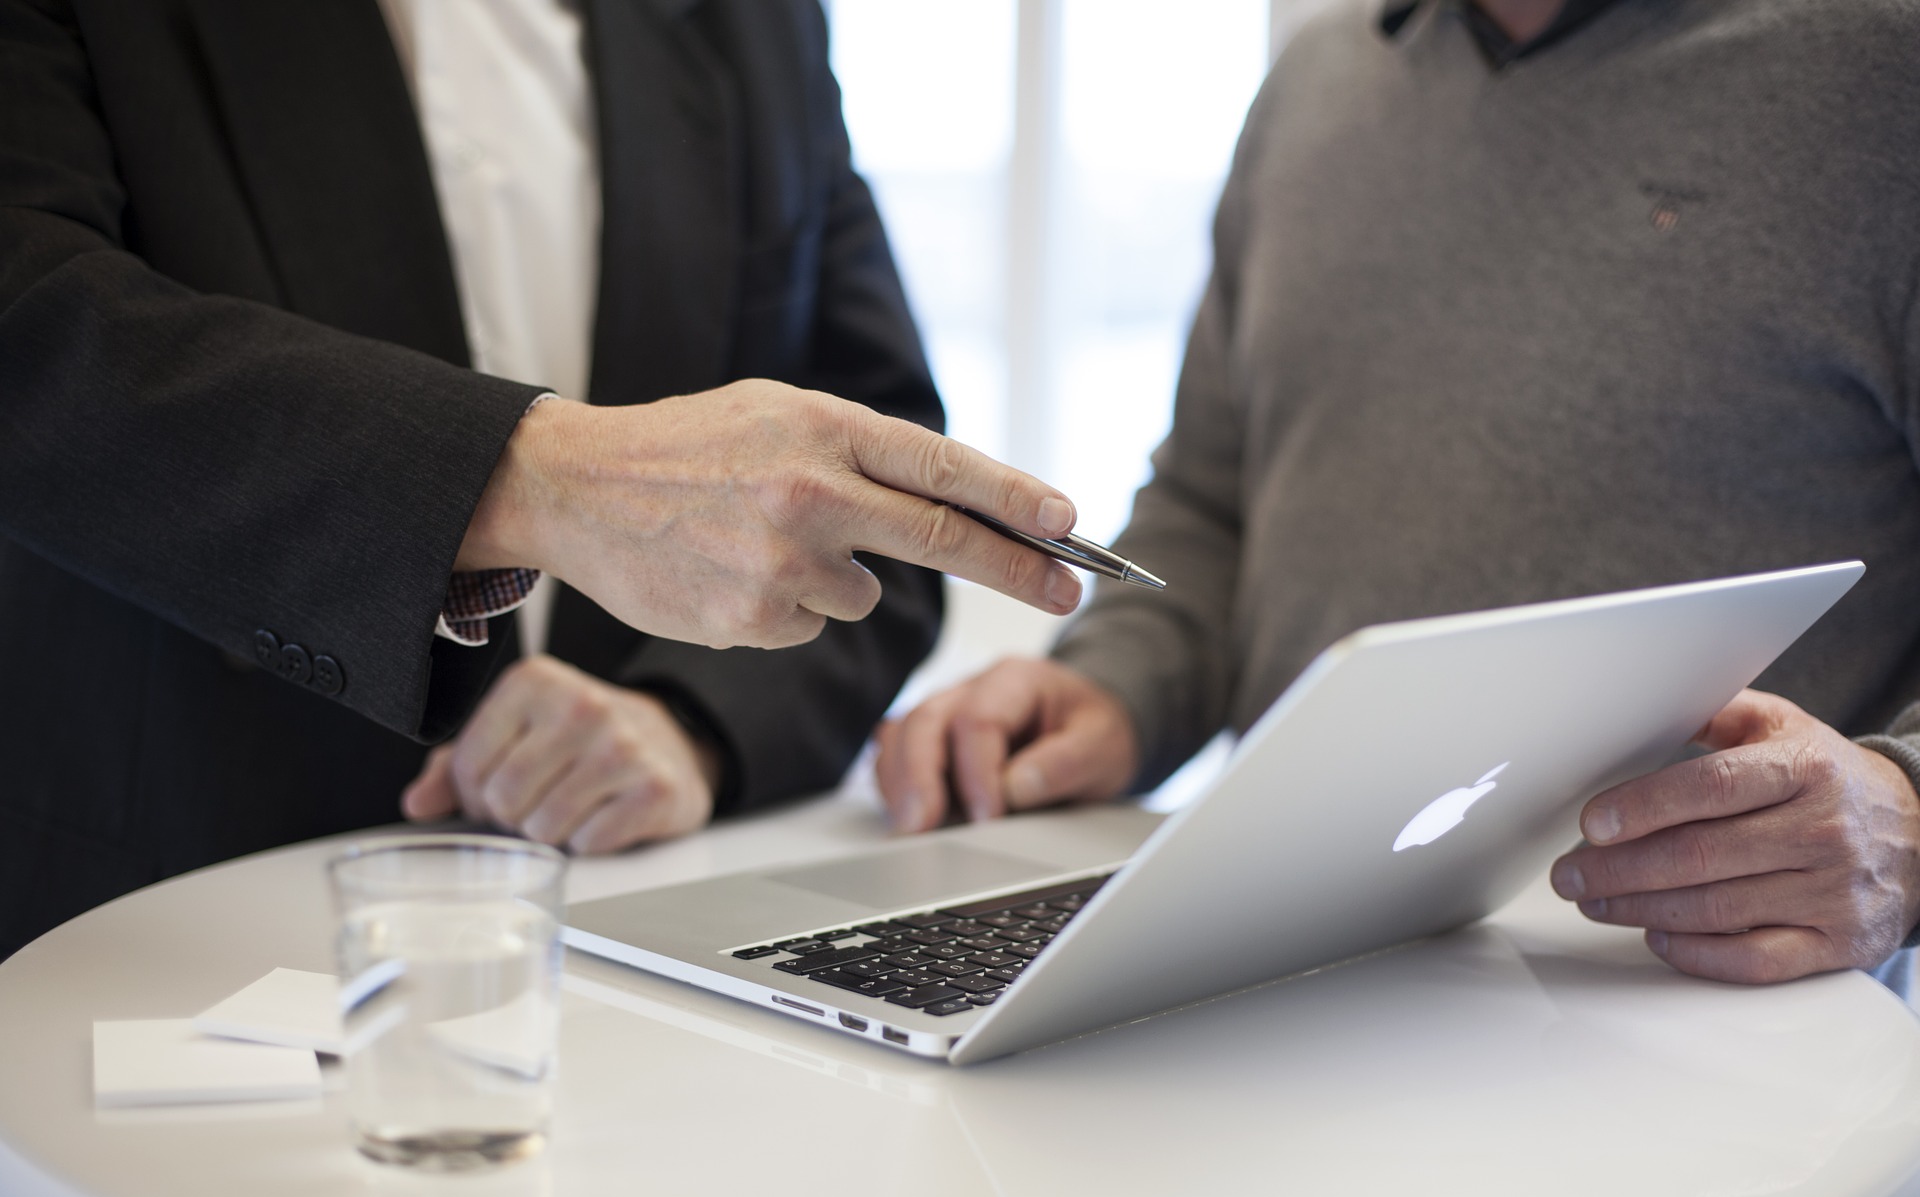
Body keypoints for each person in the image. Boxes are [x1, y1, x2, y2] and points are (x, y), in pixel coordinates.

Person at [0, 0, 1088, 958]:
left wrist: (691, 723)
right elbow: (32, 323)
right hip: (144, 936)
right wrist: (537, 479)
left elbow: (871, 499)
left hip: (618, 954)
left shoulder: (753, 19)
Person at [875, 0, 1920, 988]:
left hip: (1722, 1038)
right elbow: (1211, 502)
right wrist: (1114, 688)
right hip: (1283, 975)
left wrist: (1906, 808)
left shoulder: (1883, 73)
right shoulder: (1314, 88)